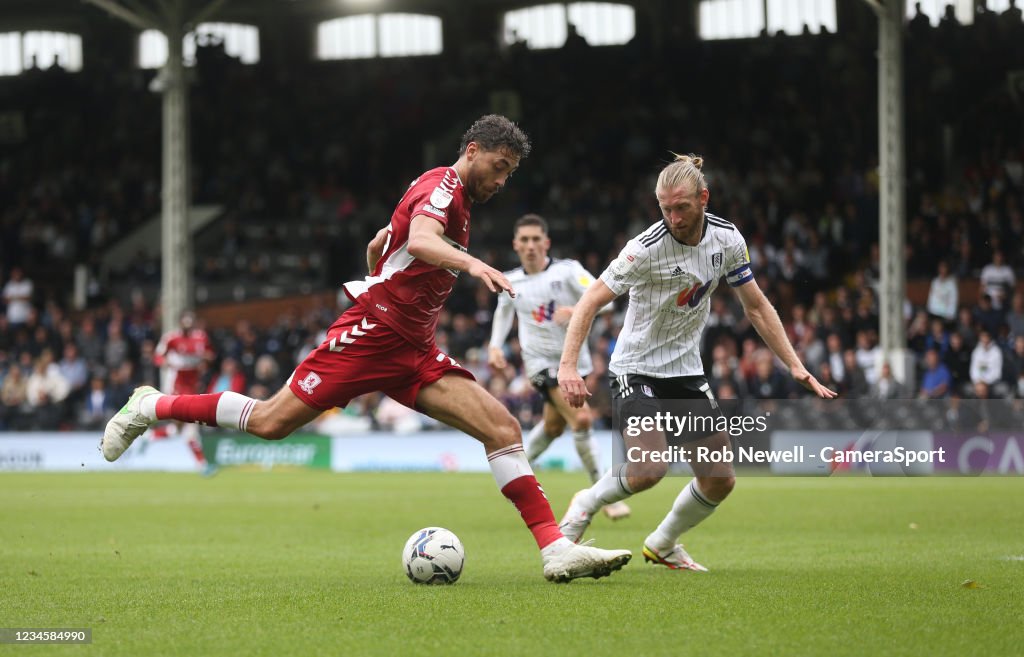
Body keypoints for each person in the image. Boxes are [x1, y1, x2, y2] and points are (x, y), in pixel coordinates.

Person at [101, 115, 631, 583]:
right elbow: (423, 239)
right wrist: (472, 264)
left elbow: (401, 237)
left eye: (510, 172)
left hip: (412, 349)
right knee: (269, 422)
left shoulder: (450, 194)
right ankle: (150, 405)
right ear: (472, 151)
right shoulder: (446, 184)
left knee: (501, 428)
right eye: (498, 165)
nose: (501, 179)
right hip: (370, 335)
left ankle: (555, 549)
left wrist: (385, 243)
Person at [556, 154, 835, 571]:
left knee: (720, 479)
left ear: (704, 198)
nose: (673, 217)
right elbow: (590, 301)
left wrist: (793, 363)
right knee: (650, 467)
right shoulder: (643, 249)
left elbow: (755, 306)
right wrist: (567, 366)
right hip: (635, 369)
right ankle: (586, 502)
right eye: (665, 208)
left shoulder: (728, 240)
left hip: (686, 372)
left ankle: (664, 542)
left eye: (681, 207)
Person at [488, 213, 631, 521]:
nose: (530, 246)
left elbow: (605, 300)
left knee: (554, 427)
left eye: (536, 239)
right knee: (580, 419)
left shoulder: (568, 272)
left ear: (546, 242)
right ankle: (604, 495)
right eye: (524, 240)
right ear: (515, 245)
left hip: (574, 362)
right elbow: (503, 311)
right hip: (539, 363)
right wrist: (495, 345)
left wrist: (577, 309)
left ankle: (513, 469)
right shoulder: (510, 281)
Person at [153, 309, 217, 475]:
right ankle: (202, 464)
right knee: (190, 424)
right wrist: (165, 362)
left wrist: (205, 359)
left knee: (180, 428)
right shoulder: (171, 337)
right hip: (176, 383)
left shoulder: (201, 337)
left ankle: (149, 438)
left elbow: (210, 354)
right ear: (180, 322)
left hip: (193, 384)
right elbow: (158, 356)